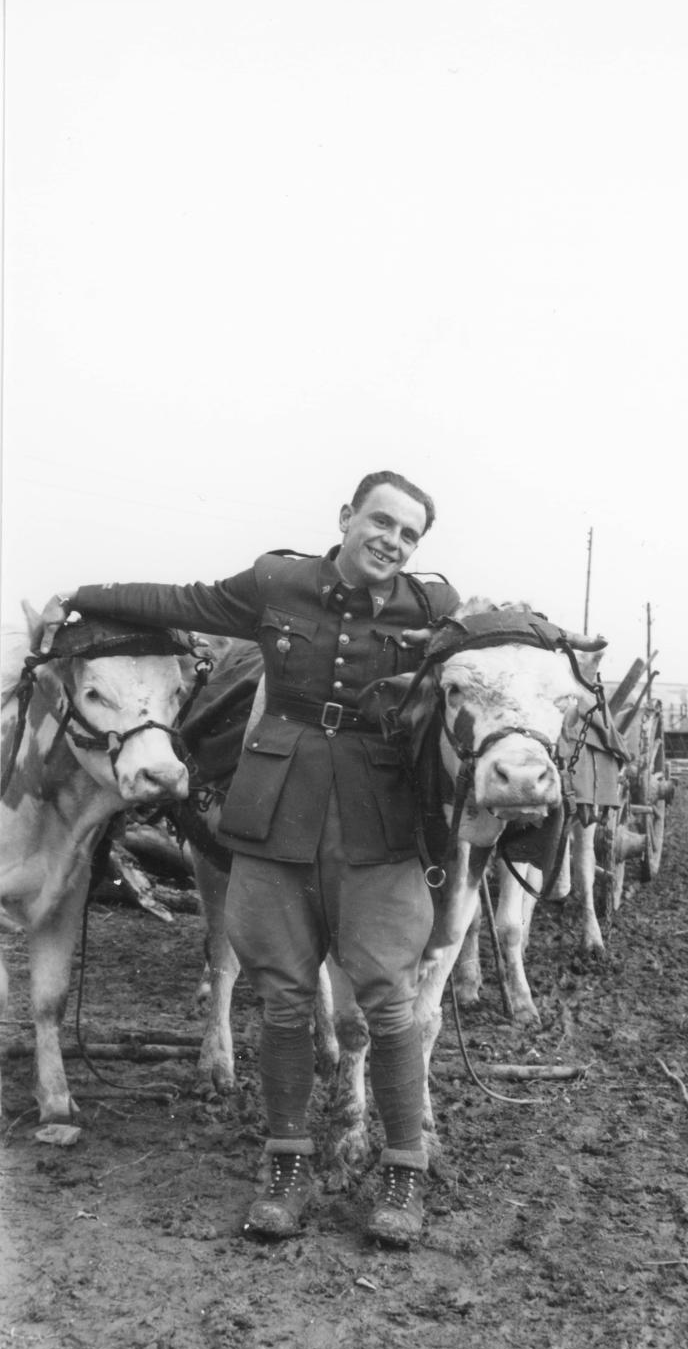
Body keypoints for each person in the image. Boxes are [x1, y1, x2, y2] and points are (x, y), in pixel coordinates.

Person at [39, 471, 459, 1246]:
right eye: (381, 521)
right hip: (276, 813)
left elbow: (489, 652)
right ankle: (286, 1167)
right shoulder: (276, 582)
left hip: (378, 821)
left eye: (409, 534)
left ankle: (404, 1169)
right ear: (346, 517)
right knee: (285, 997)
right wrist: (84, 590)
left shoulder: (432, 607)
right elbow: (178, 602)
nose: (392, 541)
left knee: (389, 999)